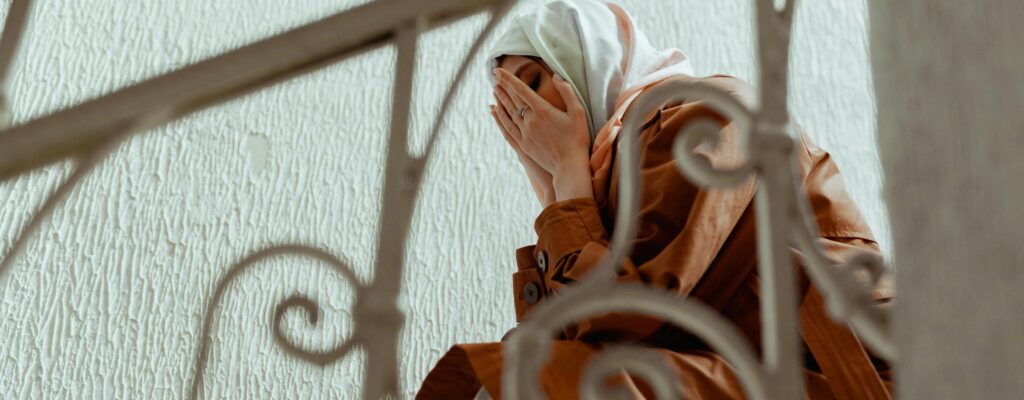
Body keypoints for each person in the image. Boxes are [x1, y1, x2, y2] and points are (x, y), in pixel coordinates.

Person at [417, 0, 894, 398]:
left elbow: (635, 318)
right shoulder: (609, 178)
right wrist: (553, 193)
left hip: (848, 376)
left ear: (583, 62)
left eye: (533, 83)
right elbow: (568, 333)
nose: (526, 118)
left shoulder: (708, 113)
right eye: (509, 107)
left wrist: (567, 183)